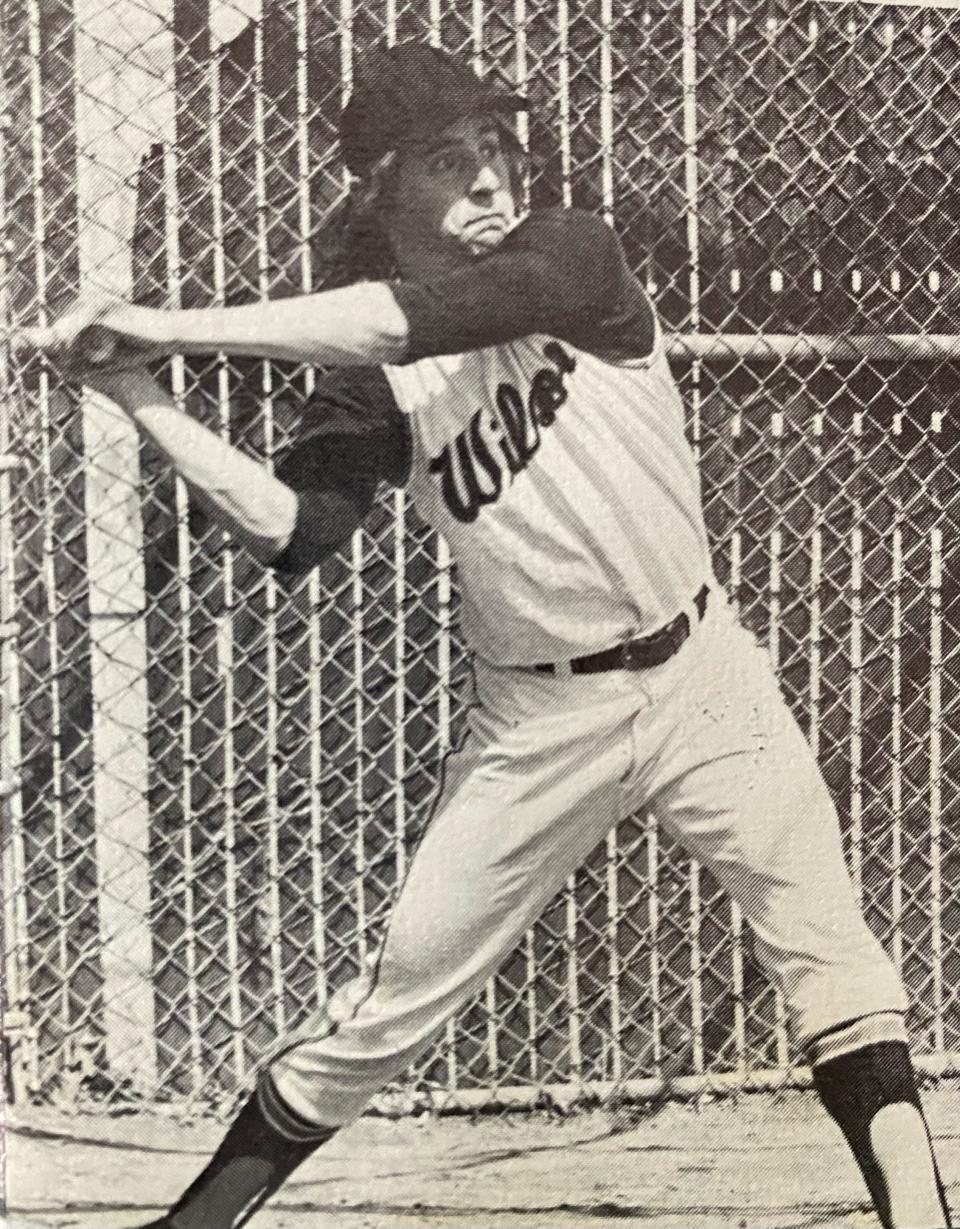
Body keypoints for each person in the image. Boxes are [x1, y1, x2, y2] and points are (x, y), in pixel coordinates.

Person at [19, 40, 951, 1229]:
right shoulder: (374, 375)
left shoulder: (573, 256)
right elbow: (291, 531)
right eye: (452, 162)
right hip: (540, 719)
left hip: (702, 672)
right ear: (383, 192)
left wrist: (167, 318)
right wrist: (141, 393)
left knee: (830, 951)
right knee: (392, 1002)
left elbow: (408, 321)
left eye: (501, 149)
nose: (495, 181)